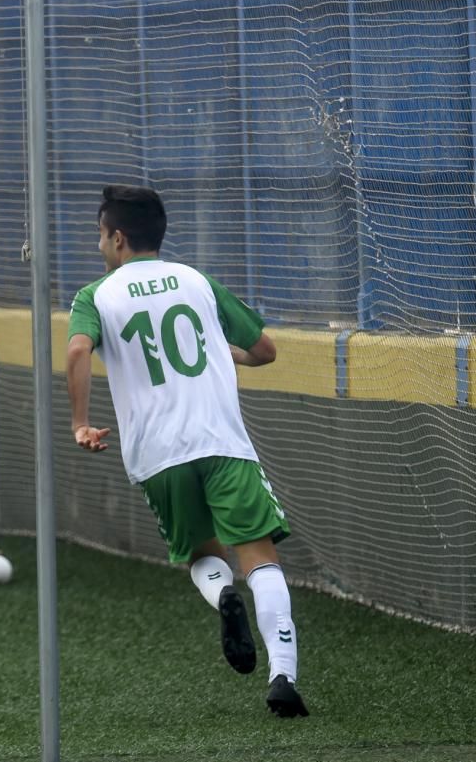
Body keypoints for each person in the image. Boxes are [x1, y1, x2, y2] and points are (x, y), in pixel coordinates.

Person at [66, 184, 308, 718]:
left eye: (101, 236)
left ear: (119, 238)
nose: (100, 246)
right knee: (261, 558)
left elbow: (79, 350)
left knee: (202, 555)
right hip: (221, 441)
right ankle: (283, 676)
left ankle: (223, 598)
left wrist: (81, 422)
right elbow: (267, 351)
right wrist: (227, 353)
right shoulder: (197, 281)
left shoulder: (96, 296)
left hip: (156, 454)